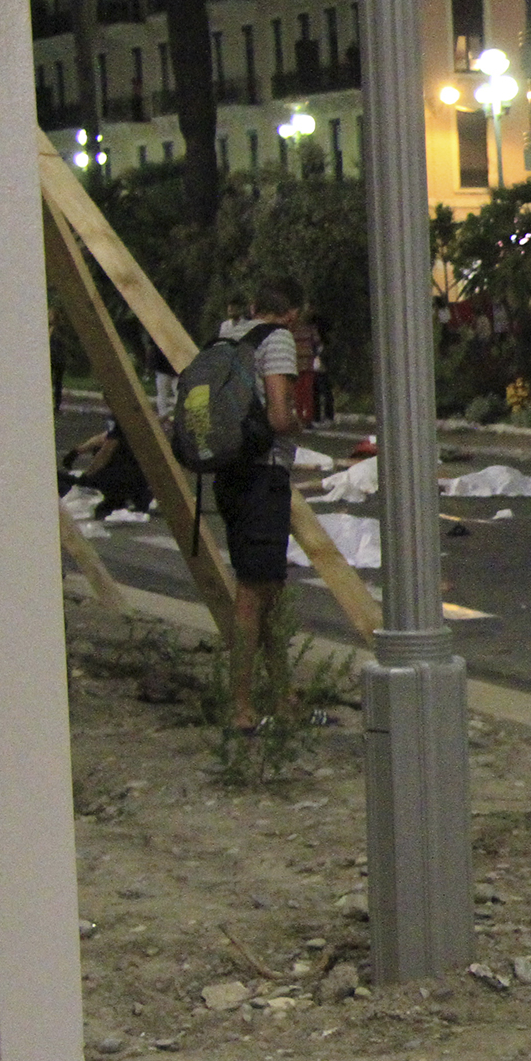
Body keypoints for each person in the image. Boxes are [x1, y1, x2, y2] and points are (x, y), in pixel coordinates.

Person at [212, 281, 305, 733]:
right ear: (291, 313)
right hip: (263, 476)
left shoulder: (227, 336)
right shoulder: (278, 339)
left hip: (228, 474)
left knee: (268, 588)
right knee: (254, 593)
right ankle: (242, 707)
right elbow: (280, 418)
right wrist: (299, 425)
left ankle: (283, 694)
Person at [59, 418, 152, 518]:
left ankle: (118, 495)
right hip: (144, 471)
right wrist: (77, 451)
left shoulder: (119, 417)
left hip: (129, 473)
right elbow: (105, 437)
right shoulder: (130, 414)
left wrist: (87, 476)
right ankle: (133, 495)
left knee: (103, 453)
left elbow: (106, 450)